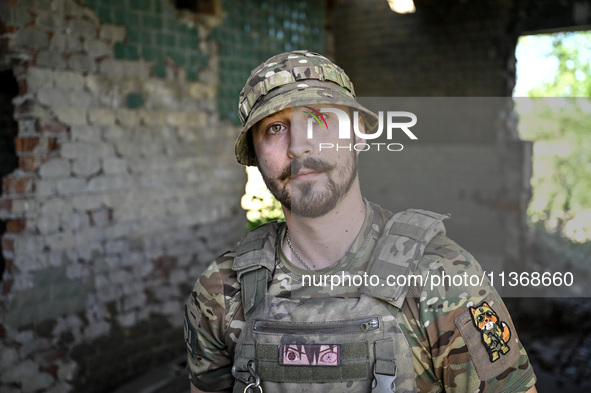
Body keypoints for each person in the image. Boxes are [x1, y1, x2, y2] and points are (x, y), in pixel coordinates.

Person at [185, 50, 538, 393]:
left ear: (360, 134)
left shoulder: (442, 277)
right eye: (275, 128)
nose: (299, 147)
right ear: (256, 154)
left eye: (319, 119)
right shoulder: (220, 291)